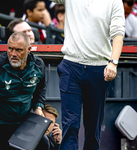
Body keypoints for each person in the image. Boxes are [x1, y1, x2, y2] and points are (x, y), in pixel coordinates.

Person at [50, 0, 125, 150]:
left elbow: (118, 33)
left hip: (99, 69)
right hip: (71, 66)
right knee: (70, 124)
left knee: (93, 128)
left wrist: (113, 62)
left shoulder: (114, 1)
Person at [0, 32, 46, 150]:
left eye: (19, 50)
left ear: (29, 49)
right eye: (10, 48)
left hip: (23, 126)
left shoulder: (38, 66)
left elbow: (41, 88)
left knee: (44, 144)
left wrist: (38, 106)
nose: (13, 54)